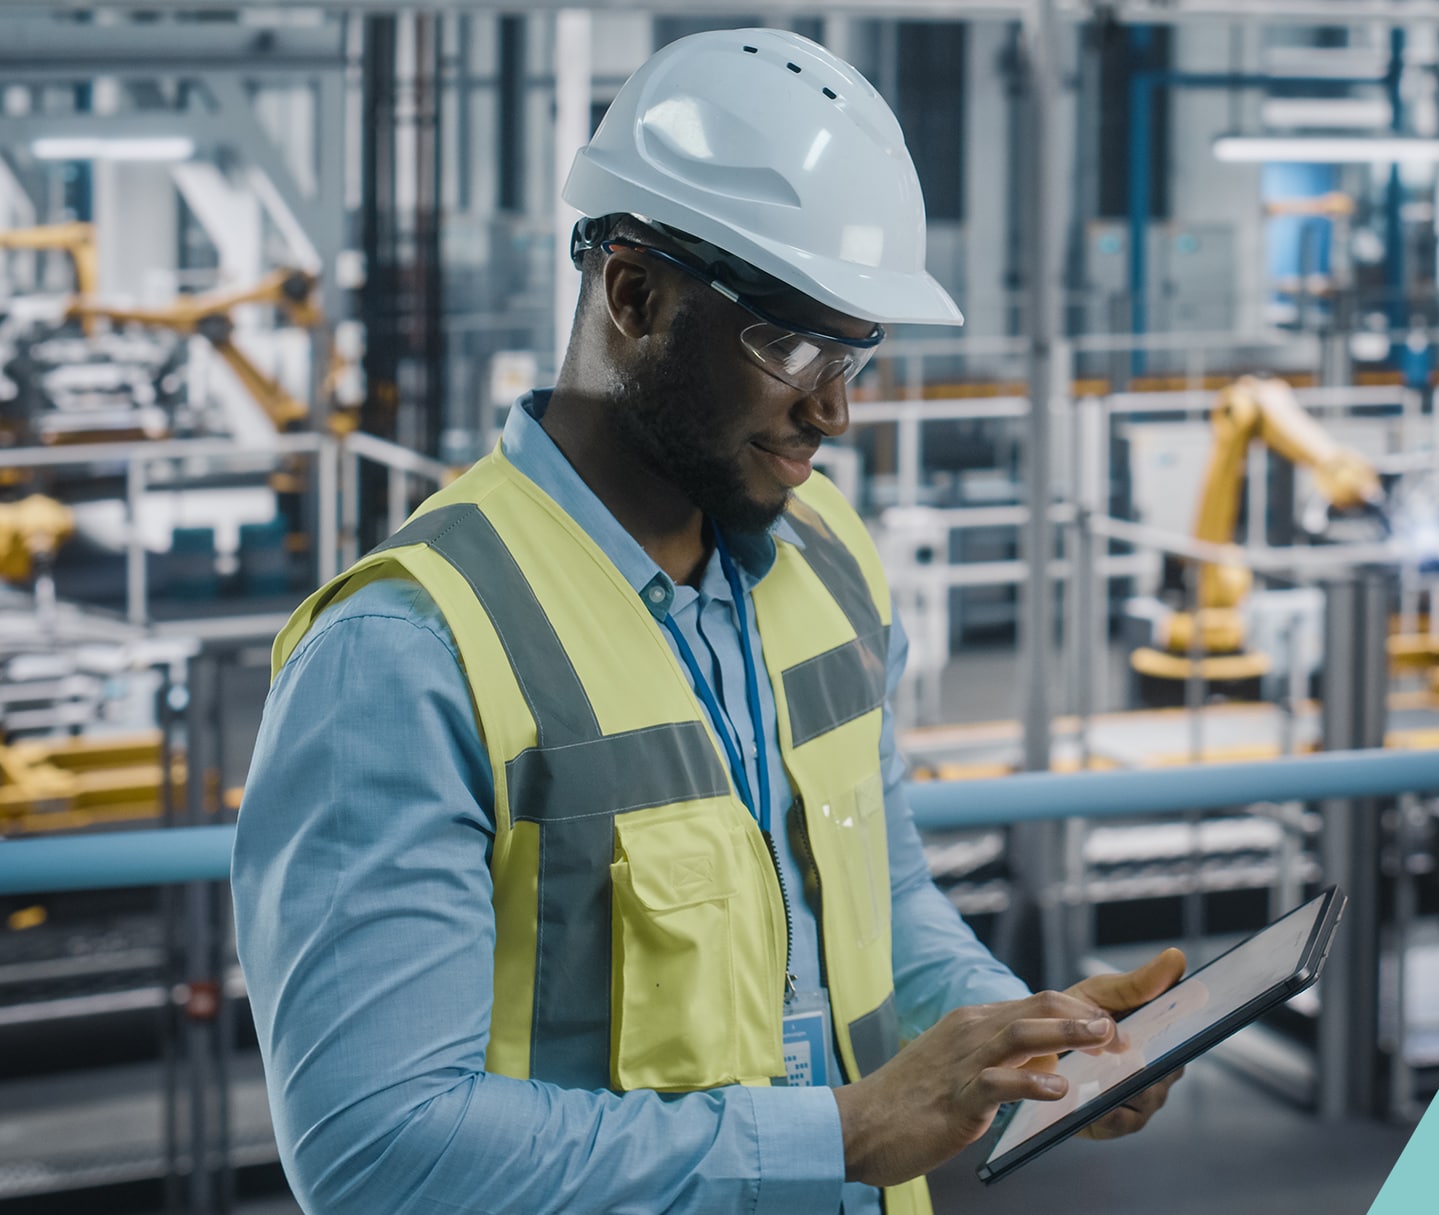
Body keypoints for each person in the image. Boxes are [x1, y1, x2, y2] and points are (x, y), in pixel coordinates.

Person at [232, 29, 1181, 1215]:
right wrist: (840, 1130)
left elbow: (877, 907)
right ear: (633, 294)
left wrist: (1021, 1033)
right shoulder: (404, 652)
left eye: (858, 353)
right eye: (793, 344)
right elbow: (378, 1154)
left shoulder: (827, 557)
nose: (833, 409)